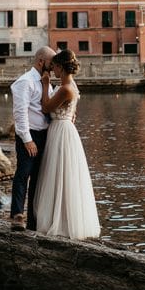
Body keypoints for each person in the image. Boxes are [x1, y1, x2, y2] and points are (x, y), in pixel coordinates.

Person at [33, 49, 101, 240]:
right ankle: (61, 217)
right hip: (62, 129)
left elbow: (46, 107)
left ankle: (60, 221)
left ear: (61, 67)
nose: (52, 69)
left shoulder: (65, 88)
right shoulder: (69, 85)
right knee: (60, 175)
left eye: (54, 66)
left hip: (61, 131)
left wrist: (45, 84)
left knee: (59, 174)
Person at [9, 46, 55, 230]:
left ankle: (33, 219)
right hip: (29, 134)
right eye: (52, 62)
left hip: (44, 134)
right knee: (23, 174)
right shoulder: (25, 82)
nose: (54, 66)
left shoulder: (46, 82)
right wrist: (27, 139)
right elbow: (20, 113)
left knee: (38, 178)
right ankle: (17, 214)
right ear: (41, 61)